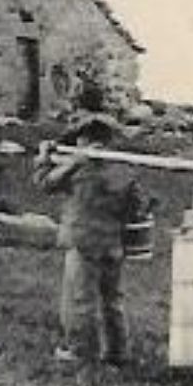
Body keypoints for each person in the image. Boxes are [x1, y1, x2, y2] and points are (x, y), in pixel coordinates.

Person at [33, 115, 151, 367]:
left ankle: (81, 351)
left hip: (83, 241)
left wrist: (44, 158)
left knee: (79, 300)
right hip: (112, 243)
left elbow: (44, 183)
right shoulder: (123, 170)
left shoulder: (78, 168)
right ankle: (117, 351)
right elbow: (138, 205)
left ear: (84, 139)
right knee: (113, 300)